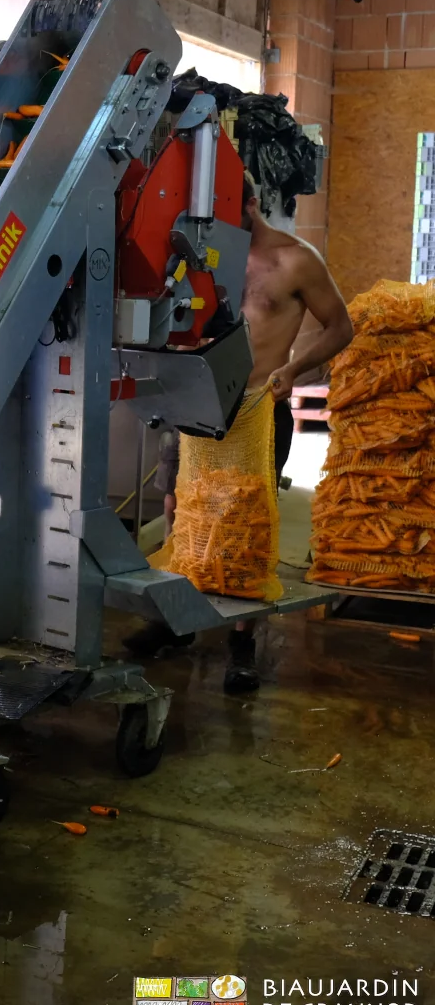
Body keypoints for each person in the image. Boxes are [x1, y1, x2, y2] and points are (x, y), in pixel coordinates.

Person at [123, 172, 353, 692]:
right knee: (180, 509)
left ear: (251, 203)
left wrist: (294, 370)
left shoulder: (295, 261)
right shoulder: (199, 255)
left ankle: (243, 643)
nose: (215, 226)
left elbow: (342, 326)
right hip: (195, 403)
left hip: (257, 407)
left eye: (229, 215)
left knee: (247, 521)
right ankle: (176, 619)